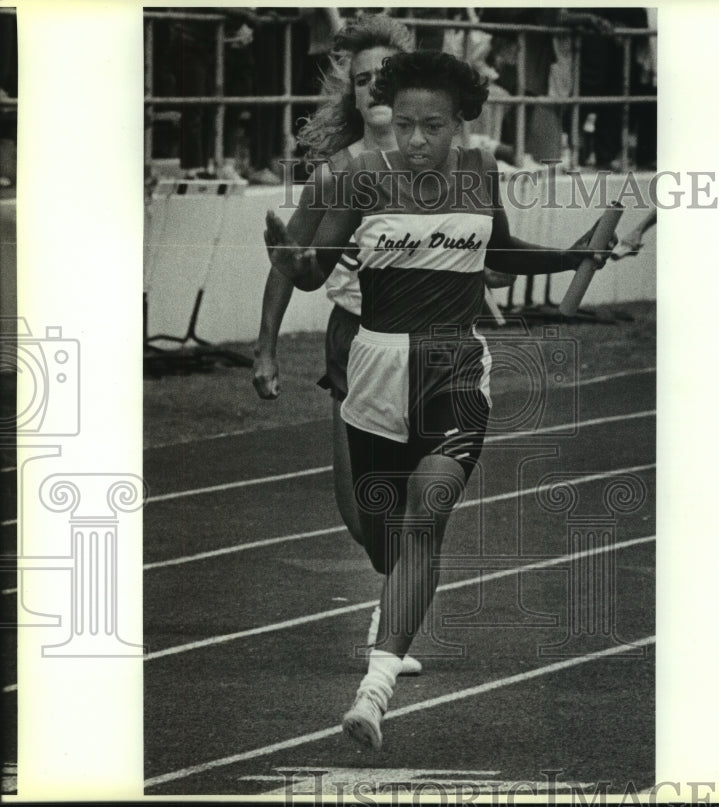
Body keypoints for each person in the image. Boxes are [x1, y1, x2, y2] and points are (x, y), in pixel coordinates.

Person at [263, 49, 618, 751]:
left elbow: (505, 254)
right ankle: (387, 619)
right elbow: (314, 271)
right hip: (374, 371)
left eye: (434, 126)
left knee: (425, 520)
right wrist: (291, 262)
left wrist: (572, 254)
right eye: (406, 125)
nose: (418, 140)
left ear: (461, 124)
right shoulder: (357, 177)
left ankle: (374, 689)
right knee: (379, 532)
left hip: (454, 367)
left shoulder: (481, 174)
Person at [253, 13, 423, 675]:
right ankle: (397, 575)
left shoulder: (440, 159)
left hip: (418, 342)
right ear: (349, 92)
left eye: (385, 76)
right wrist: (266, 346)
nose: (374, 88)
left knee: (412, 492)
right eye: (362, 79)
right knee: (360, 513)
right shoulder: (334, 173)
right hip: (350, 339)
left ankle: (395, 612)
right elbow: (293, 261)